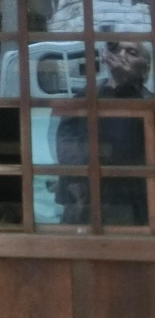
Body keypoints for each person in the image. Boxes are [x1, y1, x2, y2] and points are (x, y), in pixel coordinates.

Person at [54, 40, 151, 225]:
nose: (122, 55)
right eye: (117, 49)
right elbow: (65, 138)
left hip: (129, 203)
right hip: (85, 197)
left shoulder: (147, 103)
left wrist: (128, 85)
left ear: (145, 70)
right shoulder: (86, 95)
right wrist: (78, 177)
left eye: (131, 52)